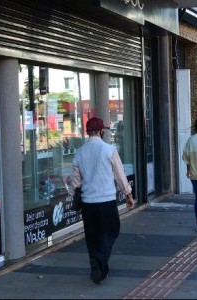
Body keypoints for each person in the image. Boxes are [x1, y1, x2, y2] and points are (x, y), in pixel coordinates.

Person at [71, 117, 135, 284]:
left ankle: (100, 268)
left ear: (87, 132)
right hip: (106, 200)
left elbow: (76, 182)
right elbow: (120, 175)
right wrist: (128, 194)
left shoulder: (79, 152)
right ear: (102, 131)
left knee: (92, 236)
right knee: (111, 231)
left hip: (87, 202)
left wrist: (75, 201)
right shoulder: (109, 150)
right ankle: (99, 259)